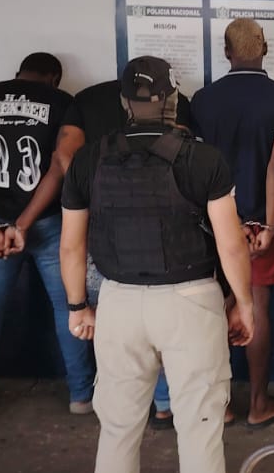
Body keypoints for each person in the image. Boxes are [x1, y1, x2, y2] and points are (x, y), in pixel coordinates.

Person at [59, 56, 255, 473]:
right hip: (190, 301)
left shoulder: (88, 159)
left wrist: (78, 305)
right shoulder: (202, 158)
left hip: (119, 301)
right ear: (171, 99)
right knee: (199, 426)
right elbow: (231, 245)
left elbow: (71, 245)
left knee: (118, 427)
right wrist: (245, 303)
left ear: (124, 102)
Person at [0, 52, 93, 415]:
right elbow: (60, 165)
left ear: (18, 74)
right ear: (55, 79)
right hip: (48, 219)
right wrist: (24, 224)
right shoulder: (63, 102)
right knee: (69, 304)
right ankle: (81, 396)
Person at [48, 75, 192, 429]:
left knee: (112, 330)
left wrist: (92, 196)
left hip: (102, 237)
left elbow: (65, 153)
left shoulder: (88, 98)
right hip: (161, 235)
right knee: (159, 323)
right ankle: (163, 404)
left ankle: (101, 401)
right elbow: (183, 154)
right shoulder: (176, 98)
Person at [191, 18, 274, 429]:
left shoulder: (202, 100)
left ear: (226, 52)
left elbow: (197, 167)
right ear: (265, 49)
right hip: (260, 226)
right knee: (255, 306)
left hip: (212, 223)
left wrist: (224, 222)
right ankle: (258, 403)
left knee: (212, 308)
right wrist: (269, 226)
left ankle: (220, 404)